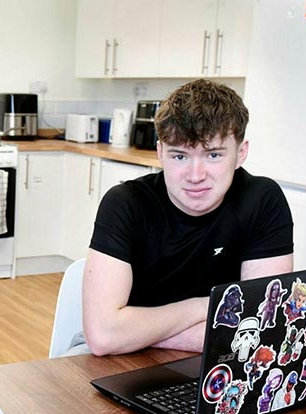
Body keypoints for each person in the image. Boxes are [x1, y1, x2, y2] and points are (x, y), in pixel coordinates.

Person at [69, 79, 294, 356]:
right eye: (179, 156)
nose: (195, 175)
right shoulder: (126, 203)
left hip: (218, 360)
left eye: (213, 154)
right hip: (118, 356)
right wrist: (204, 307)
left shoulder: (262, 200)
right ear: (160, 151)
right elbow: (103, 337)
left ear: (241, 153)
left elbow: (261, 330)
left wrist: (139, 332)